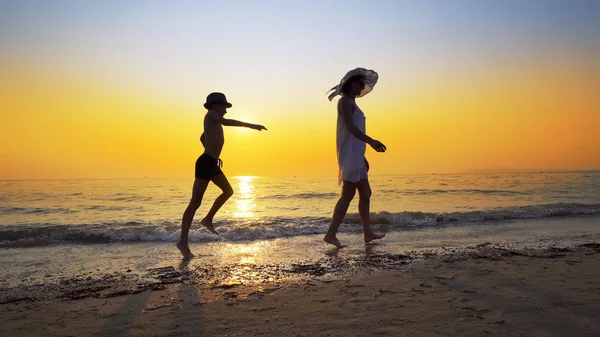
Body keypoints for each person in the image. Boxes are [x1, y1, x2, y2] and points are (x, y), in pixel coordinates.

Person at [177, 92, 267, 259]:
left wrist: (211, 150)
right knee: (195, 203)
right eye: (224, 107)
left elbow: (202, 136)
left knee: (228, 191)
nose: (225, 111)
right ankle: (183, 242)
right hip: (205, 163)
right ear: (215, 105)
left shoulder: (212, 121)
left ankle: (208, 219)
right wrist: (251, 126)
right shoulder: (211, 114)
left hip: (212, 163)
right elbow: (226, 122)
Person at [323, 68, 387, 248]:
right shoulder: (344, 102)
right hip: (349, 155)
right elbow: (350, 128)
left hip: (355, 154)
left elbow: (354, 133)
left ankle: (367, 233)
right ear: (351, 83)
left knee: (365, 193)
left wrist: (363, 156)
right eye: (360, 83)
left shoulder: (352, 102)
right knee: (348, 194)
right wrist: (372, 141)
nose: (363, 87)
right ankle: (331, 234)